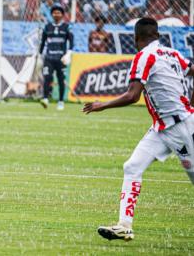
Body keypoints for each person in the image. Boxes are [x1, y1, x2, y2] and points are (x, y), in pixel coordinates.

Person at [83, 17, 194, 241]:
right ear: (157, 35)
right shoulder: (172, 53)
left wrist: (101, 105)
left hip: (180, 128)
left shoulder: (143, 57)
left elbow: (133, 96)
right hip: (162, 127)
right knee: (132, 166)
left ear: (136, 38)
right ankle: (124, 225)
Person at [39, 6, 73, 111]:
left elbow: (71, 41)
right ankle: (45, 98)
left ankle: (61, 101)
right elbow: (43, 42)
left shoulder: (66, 27)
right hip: (49, 57)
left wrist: (68, 53)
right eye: (54, 13)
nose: (56, 14)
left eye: (58, 12)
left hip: (61, 58)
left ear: (62, 14)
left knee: (61, 79)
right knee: (47, 77)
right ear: (51, 14)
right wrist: (40, 54)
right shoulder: (47, 27)